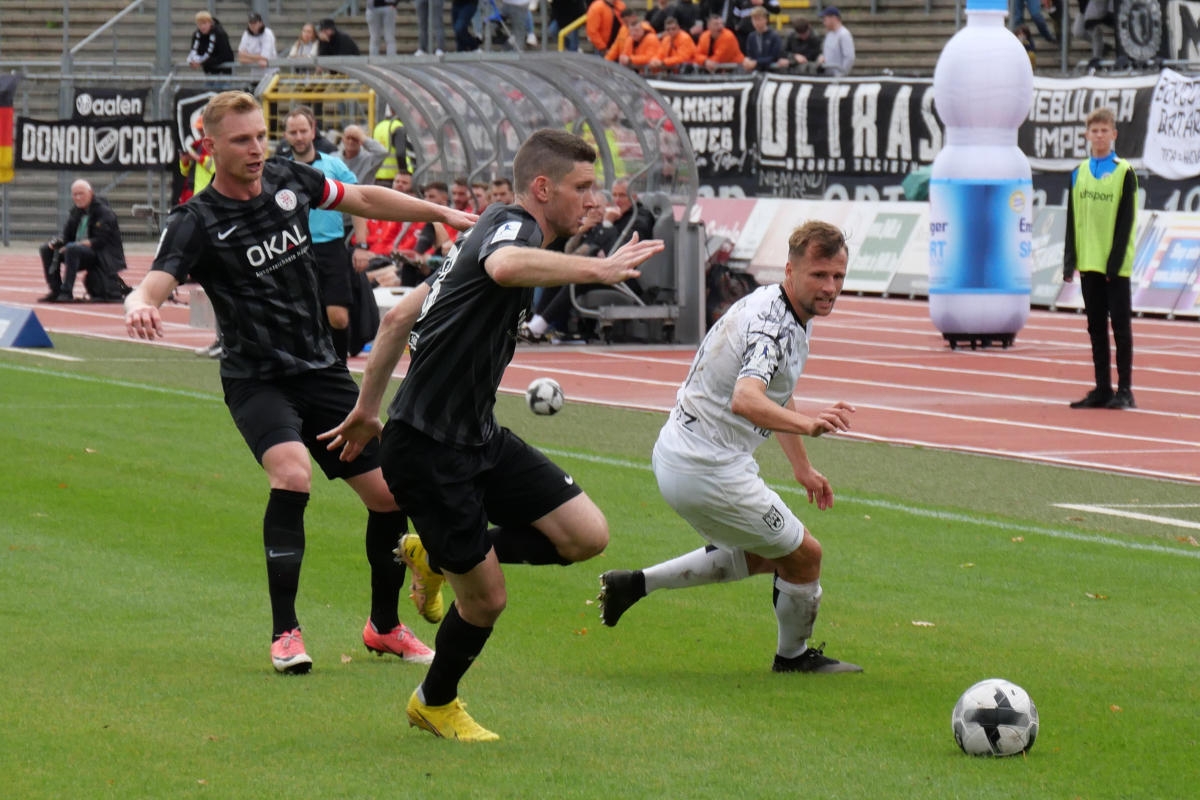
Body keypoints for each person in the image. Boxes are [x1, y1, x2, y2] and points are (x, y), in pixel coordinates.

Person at [318, 128, 665, 742]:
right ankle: (434, 701)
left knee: (586, 535)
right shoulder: (511, 229)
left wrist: (369, 410)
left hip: (477, 436)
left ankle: (435, 555)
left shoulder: (487, 230)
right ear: (543, 188)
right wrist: (598, 267)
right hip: (430, 449)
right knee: (486, 601)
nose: (594, 200)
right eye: (582, 187)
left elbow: (397, 318)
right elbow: (505, 267)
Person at [123, 91, 476, 675]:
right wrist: (139, 304)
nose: (257, 149)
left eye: (260, 136)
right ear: (210, 147)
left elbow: (364, 197)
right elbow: (156, 279)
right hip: (257, 380)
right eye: (242, 140)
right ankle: (285, 632)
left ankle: (384, 626)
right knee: (292, 474)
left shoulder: (290, 179)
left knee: (390, 494)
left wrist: (437, 212)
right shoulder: (196, 220)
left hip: (321, 371)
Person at [597, 219, 862, 677]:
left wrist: (801, 466)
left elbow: (776, 389)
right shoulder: (775, 327)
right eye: (819, 275)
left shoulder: (779, 304)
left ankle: (635, 585)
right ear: (791, 270)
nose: (830, 287)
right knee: (805, 556)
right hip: (708, 469)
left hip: (682, 453)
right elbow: (747, 399)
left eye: (838, 276)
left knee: (768, 552)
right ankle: (793, 657)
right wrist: (809, 425)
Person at [282, 105, 370, 364]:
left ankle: (339, 367)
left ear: (313, 131)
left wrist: (362, 244)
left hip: (331, 248)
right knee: (302, 316)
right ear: (286, 135)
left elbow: (359, 201)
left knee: (338, 317)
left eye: (303, 131)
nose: (299, 137)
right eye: (293, 132)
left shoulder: (333, 165)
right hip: (294, 250)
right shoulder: (281, 170)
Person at [1063, 106, 1137, 410]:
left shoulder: (1124, 172)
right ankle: (1103, 388)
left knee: (1120, 326)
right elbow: (1072, 219)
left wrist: (1114, 263)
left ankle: (1125, 390)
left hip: (1114, 266)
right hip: (1088, 262)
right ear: (1086, 135)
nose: (1099, 136)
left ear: (1114, 134)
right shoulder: (1078, 173)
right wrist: (1069, 260)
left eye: (1104, 131)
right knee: (1095, 327)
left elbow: (1126, 221)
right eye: (1094, 131)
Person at [39, 179, 128, 303]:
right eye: (75, 194)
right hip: (79, 251)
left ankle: (66, 292)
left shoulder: (104, 212)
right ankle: (56, 291)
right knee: (46, 249)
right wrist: (57, 243)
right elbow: (67, 236)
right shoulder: (76, 212)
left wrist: (73, 245)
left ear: (90, 193)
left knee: (72, 249)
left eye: (81, 194)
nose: (78, 197)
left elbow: (100, 241)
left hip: (102, 255)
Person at [741, 7, 789, 72]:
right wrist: (748, 60)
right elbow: (750, 55)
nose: (756, 22)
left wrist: (757, 62)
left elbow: (774, 57)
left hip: (772, 71)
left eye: (759, 19)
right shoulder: (751, 36)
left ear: (765, 19)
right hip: (756, 71)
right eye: (754, 20)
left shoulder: (774, 36)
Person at [187, 12, 235, 77]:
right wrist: (193, 61)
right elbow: (194, 51)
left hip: (223, 72)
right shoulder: (197, 35)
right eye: (199, 24)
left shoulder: (220, 34)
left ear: (210, 22)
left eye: (204, 23)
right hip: (209, 72)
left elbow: (225, 55)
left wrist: (202, 62)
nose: (202, 27)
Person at [818, 6, 854, 76]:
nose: (823, 22)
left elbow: (849, 58)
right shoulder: (829, 34)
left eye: (825, 19)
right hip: (827, 75)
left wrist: (841, 74)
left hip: (837, 77)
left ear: (833, 18)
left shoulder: (844, 34)